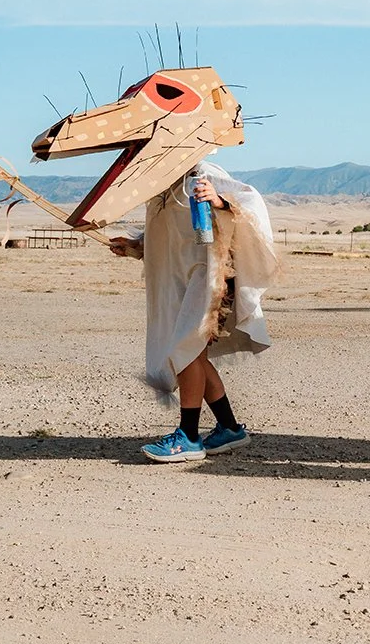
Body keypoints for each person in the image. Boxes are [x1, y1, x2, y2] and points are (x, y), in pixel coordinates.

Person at [110, 164, 279, 463]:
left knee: (184, 347)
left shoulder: (204, 172)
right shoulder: (161, 183)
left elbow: (251, 203)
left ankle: (188, 436)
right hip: (178, 280)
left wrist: (220, 201)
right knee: (193, 354)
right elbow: (170, 236)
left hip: (208, 275)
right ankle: (229, 427)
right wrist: (136, 246)